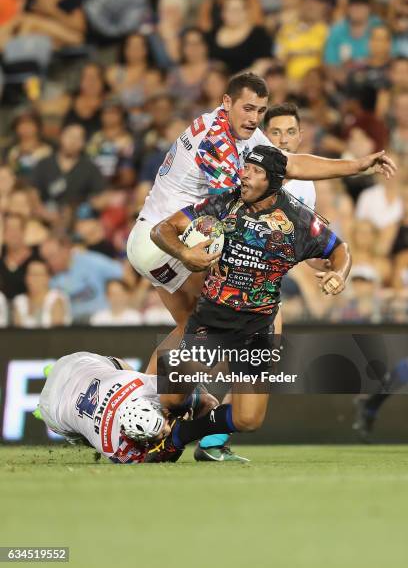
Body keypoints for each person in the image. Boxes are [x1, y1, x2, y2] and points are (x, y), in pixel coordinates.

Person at [127, 71, 394, 376]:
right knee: (221, 321)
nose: (254, 119)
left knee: (193, 329)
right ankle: (202, 405)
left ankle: (144, 398)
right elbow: (240, 205)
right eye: (248, 109)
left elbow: (288, 163)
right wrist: (304, 234)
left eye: (261, 111)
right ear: (227, 102)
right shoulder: (216, 145)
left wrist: (356, 166)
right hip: (168, 239)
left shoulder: (236, 128)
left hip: (151, 239)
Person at [146, 145, 351, 461]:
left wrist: (339, 273)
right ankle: (190, 407)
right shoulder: (223, 203)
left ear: (274, 180)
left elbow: (340, 250)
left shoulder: (298, 221)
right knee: (171, 399)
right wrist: (185, 253)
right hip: (211, 319)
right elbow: (162, 230)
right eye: (245, 168)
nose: (245, 175)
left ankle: (181, 436)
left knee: (248, 420)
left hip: (257, 328)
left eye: (256, 172)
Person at [38, 351, 217, 463]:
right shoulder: (114, 446)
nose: (169, 428)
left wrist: (186, 406)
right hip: (52, 408)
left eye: (164, 426)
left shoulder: (146, 386)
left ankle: (51, 371)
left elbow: (207, 402)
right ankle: (43, 404)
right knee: (83, 438)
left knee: (126, 370)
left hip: (74, 366)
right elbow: (159, 457)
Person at [40, 236, 126, 324]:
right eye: (46, 259)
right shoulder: (50, 279)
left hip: (100, 321)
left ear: (65, 250)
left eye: (52, 256)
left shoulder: (91, 261)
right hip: (71, 326)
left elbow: (125, 273)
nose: (50, 262)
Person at [353, 358, 408, 442]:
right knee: (378, 398)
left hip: (399, 372)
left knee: (378, 398)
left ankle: (365, 415)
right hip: (400, 371)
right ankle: (365, 424)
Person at [13, 259, 71, 328]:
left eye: (38, 275)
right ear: (25, 277)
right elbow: (17, 333)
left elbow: (57, 333)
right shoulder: (20, 301)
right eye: (30, 274)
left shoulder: (56, 298)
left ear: (48, 277)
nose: (34, 278)